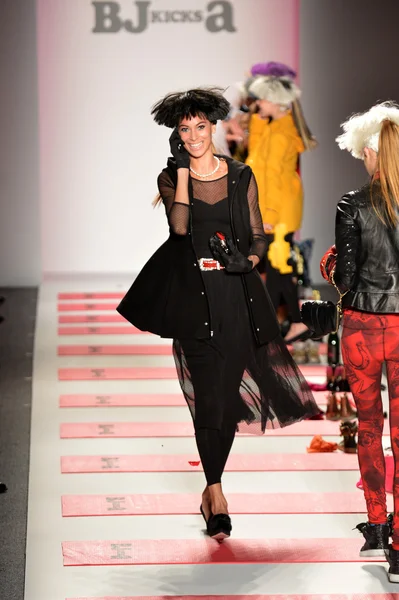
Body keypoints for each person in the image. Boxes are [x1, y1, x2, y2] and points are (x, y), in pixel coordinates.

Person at [117, 88, 319, 541]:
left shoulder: (242, 174)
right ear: (178, 136)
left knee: (225, 403)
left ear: (213, 128)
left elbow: (257, 234)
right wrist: (185, 174)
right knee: (208, 398)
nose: (193, 136)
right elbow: (181, 228)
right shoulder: (170, 177)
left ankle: (211, 490)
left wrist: (247, 261)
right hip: (193, 299)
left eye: (200, 127)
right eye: (184, 130)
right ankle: (217, 490)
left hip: (236, 297)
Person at [322, 101, 399, 582]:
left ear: (371, 151)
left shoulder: (352, 204)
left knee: (369, 425)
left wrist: (330, 263)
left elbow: (346, 279)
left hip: (364, 327)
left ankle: (375, 525)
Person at [245, 73, 317, 344]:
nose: (258, 103)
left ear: (275, 101)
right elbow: (256, 162)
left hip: (278, 210)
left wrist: (268, 215)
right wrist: (258, 120)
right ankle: (289, 324)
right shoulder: (275, 127)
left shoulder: (283, 133)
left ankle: (271, 329)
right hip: (275, 207)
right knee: (278, 265)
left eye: (262, 99)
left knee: (276, 265)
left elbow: (272, 178)